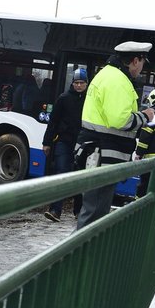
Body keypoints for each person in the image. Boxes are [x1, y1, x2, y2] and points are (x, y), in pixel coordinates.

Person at [74, 42, 155, 229]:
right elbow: (120, 120)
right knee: (94, 214)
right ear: (135, 61)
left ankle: (83, 253)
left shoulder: (108, 74)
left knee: (93, 212)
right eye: (143, 62)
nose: (142, 68)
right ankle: (77, 255)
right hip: (102, 154)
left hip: (97, 152)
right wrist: (146, 116)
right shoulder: (118, 80)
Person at [42, 68, 88, 221]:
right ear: (72, 83)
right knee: (61, 173)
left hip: (83, 144)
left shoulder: (91, 100)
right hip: (64, 142)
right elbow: (53, 121)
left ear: (87, 84)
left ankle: (79, 211)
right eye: (77, 83)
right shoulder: (63, 98)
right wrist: (47, 142)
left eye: (82, 83)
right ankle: (55, 210)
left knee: (81, 176)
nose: (79, 85)